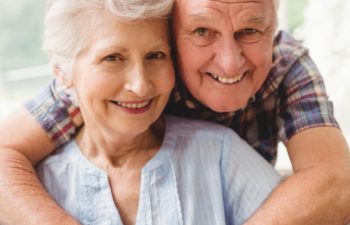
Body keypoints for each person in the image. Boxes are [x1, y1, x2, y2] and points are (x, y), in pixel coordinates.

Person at [0, 0, 350, 224]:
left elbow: (335, 183)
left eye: (249, 31)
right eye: (202, 31)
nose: (229, 61)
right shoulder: (86, 84)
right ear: (172, 30)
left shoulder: (284, 65)